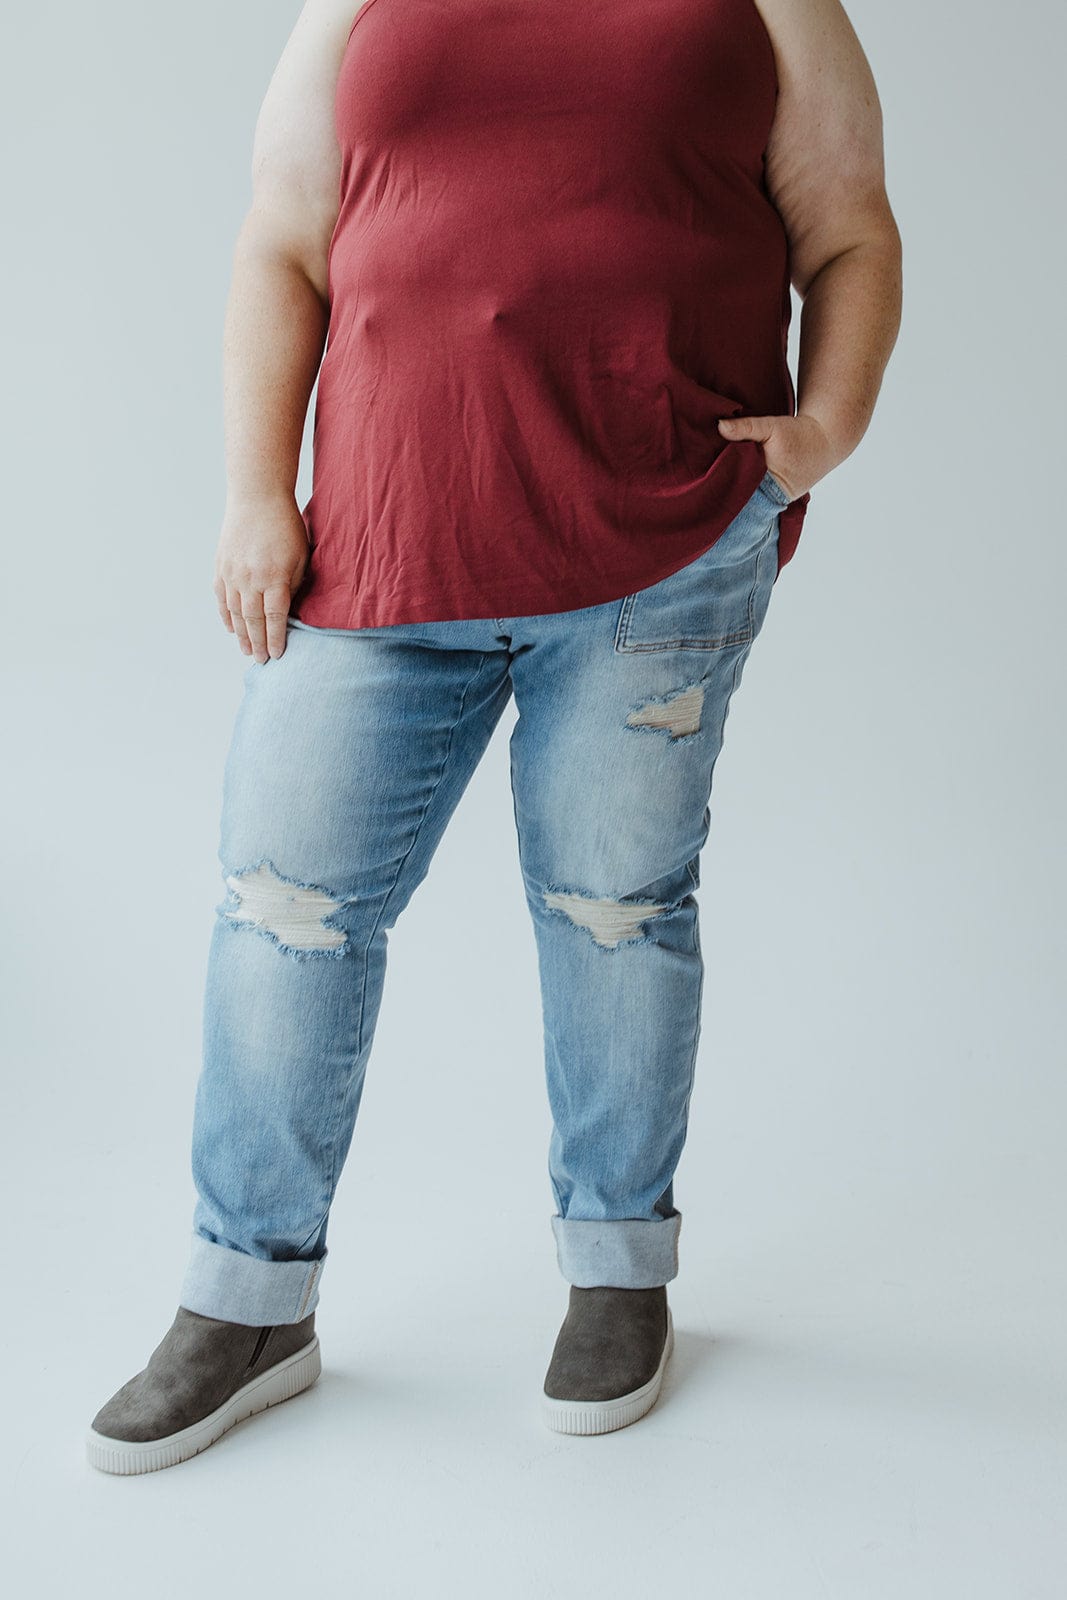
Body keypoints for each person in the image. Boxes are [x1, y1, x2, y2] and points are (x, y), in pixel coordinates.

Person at [87, 0, 901, 1473]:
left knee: (615, 912)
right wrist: (258, 492)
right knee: (285, 912)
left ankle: (616, 1272)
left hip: (657, 547)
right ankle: (249, 1302)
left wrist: (823, 428)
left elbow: (848, 227)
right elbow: (284, 236)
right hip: (387, 545)